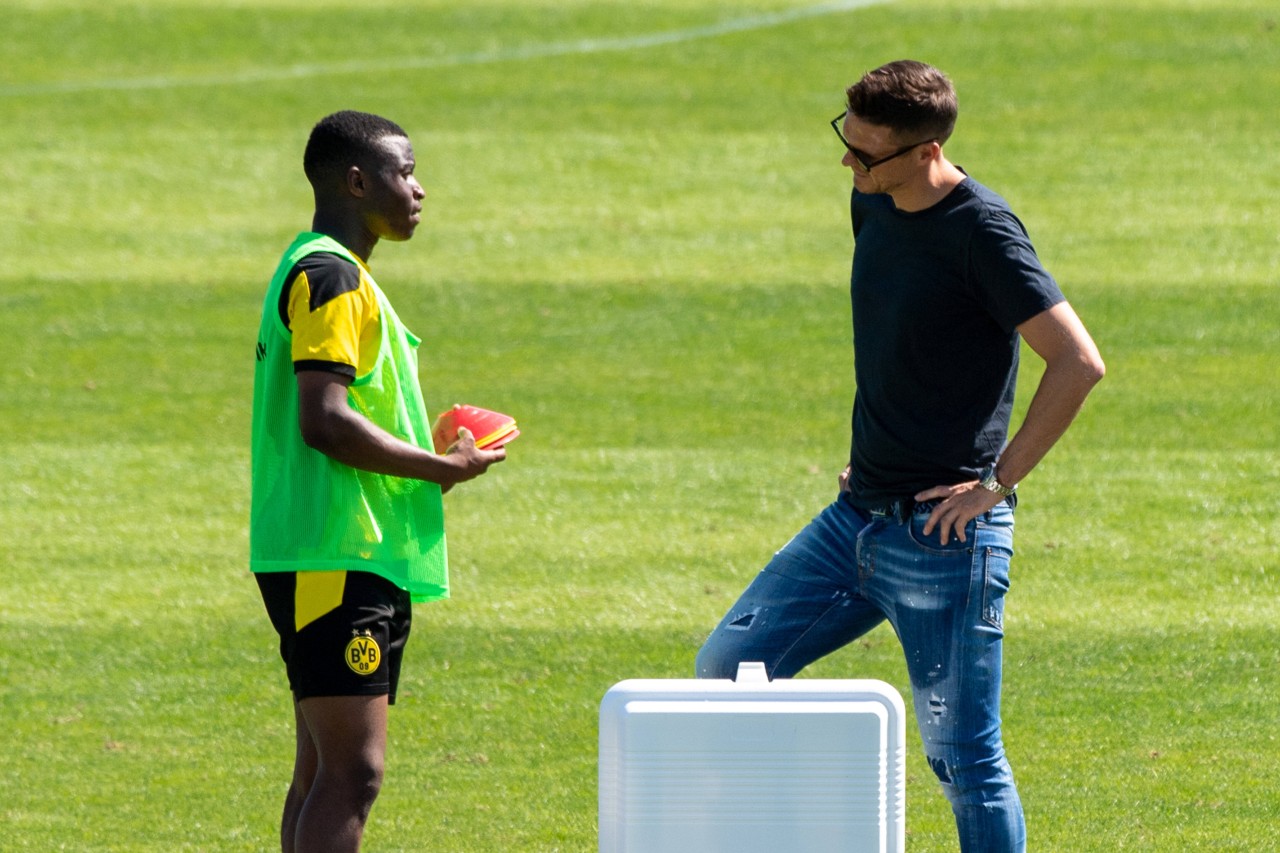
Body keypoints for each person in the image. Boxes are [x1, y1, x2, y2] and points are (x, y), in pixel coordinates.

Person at [695, 60, 1104, 852]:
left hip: (945, 541)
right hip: (855, 519)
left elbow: (1078, 361)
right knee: (728, 670)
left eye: (865, 152)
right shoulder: (872, 198)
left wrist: (995, 483)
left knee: (963, 762)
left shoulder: (983, 231)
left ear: (926, 152)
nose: (847, 162)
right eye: (845, 140)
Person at [250, 110, 506, 853]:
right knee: (351, 774)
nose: (418, 190)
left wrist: (425, 448)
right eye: (405, 172)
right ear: (358, 181)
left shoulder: (327, 268)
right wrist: (441, 468)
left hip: (333, 547)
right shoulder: (330, 275)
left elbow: (344, 410)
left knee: (321, 773)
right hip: (335, 550)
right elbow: (323, 420)